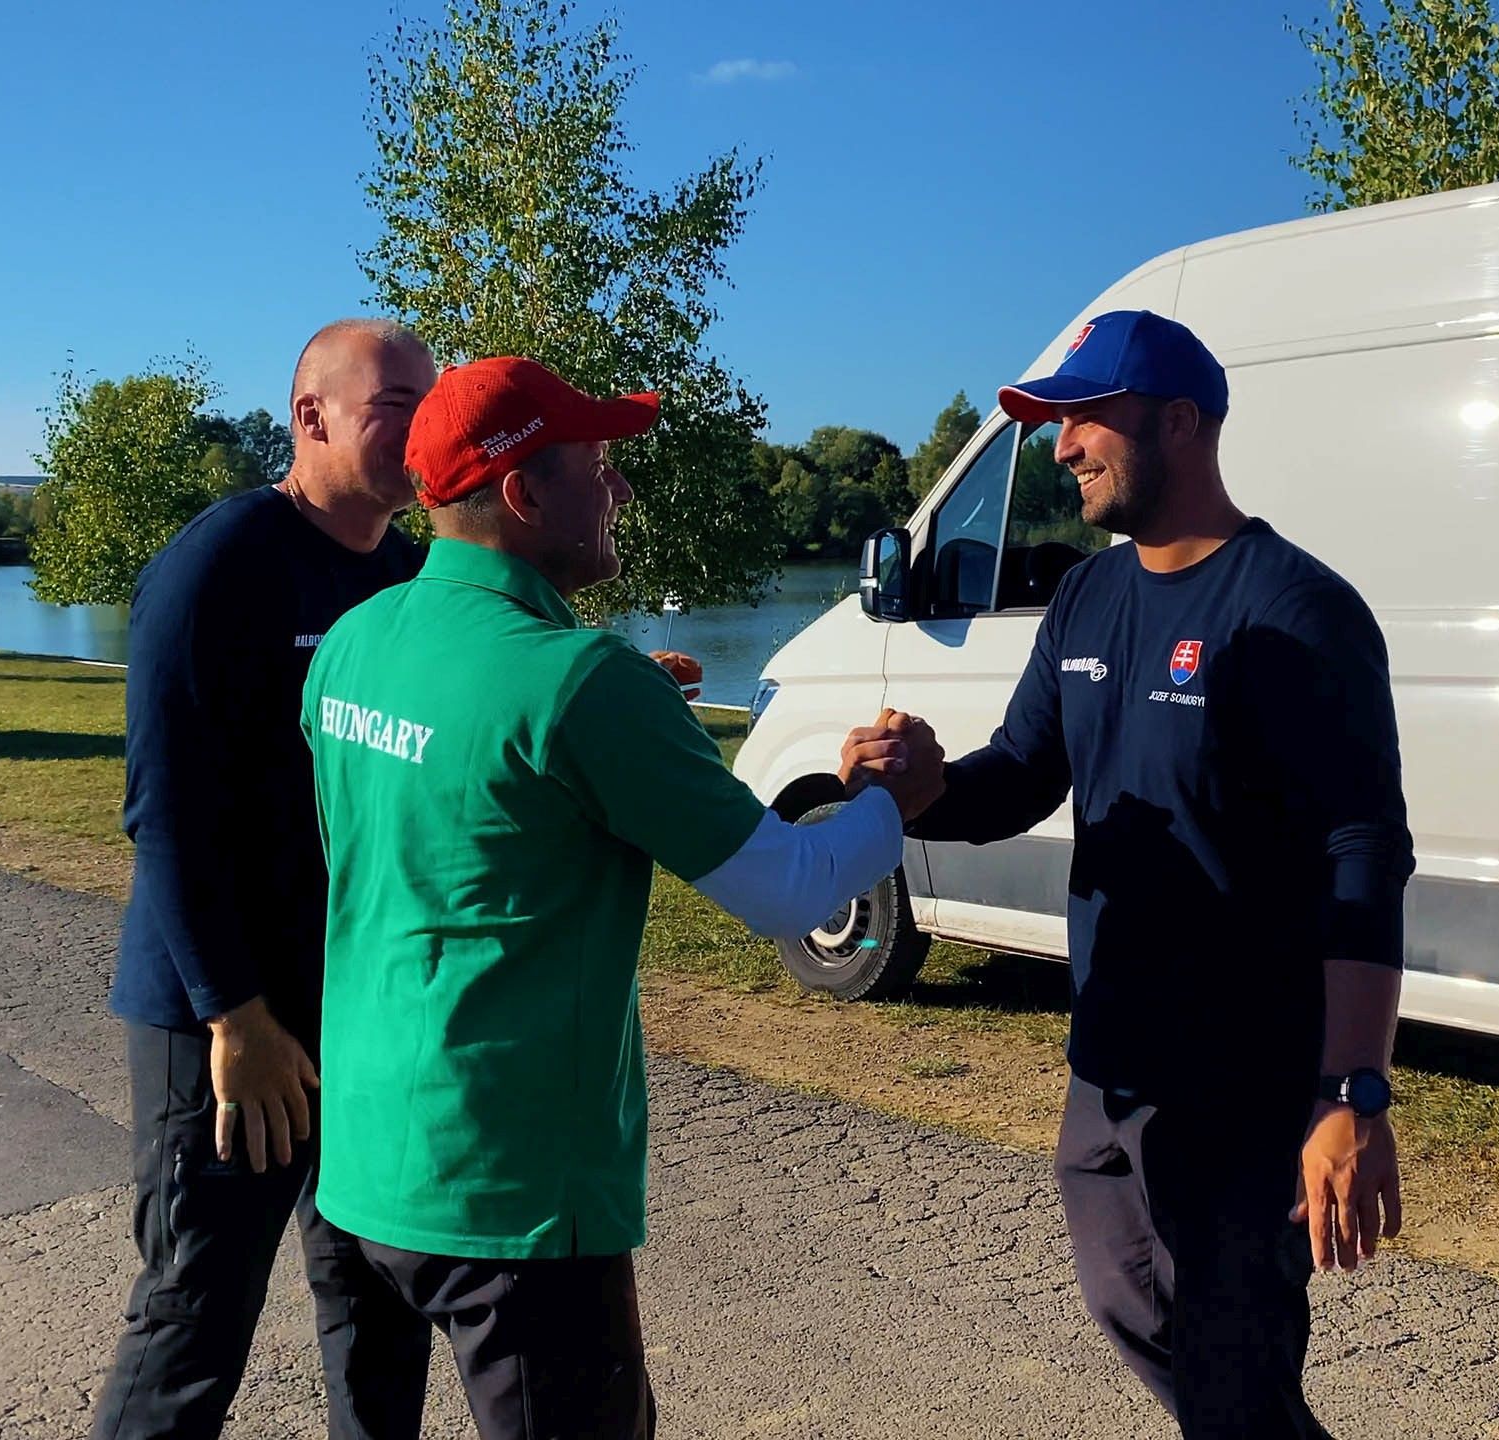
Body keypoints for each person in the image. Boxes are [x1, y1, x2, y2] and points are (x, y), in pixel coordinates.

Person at [298, 355, 944, 1440]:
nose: (623, 491)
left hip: (363, 1165)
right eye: (600, 464)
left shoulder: (355, 641)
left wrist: (630, 718)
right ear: (522, 492)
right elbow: (792, 893)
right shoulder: (582, 683)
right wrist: (888, 805)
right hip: (511, 1193)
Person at [842, 310, 1413, 1439]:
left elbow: (1365, 854)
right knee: (1134, 1310)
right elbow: (1020, 775)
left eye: (1083, 418)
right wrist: (921, 784)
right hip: (1107, 1064)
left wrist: (1351, 1090)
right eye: (1055, 424)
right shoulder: (1089, 600)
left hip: (1244, 1087)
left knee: (1234, 1372)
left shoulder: (1297, 612)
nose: (1060, 448)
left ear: (1180, 421)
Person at [93, 318, 441, 1439]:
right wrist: (232, 1014)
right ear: (313, 417)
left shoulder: (412, 575)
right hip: (224, 1020)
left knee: (381, 1307)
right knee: (196, 1315)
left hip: (360, 1014)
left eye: (431, 404)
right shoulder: (219, 565)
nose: (422, 426)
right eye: (397, 404)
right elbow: (166, 816)